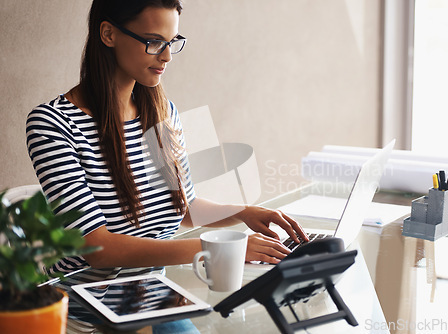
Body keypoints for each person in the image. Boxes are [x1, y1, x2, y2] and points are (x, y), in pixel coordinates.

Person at [25, 0, 308, 332]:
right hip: (89, 308)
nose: (167, 56)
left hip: (153, 296)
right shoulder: (53, 124)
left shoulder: (162, 111)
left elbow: (181, 207)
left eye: (172, 42)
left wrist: (244, 212)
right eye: (154, 41)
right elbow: (97, 248)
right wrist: (219, 252)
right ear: (108, 33)